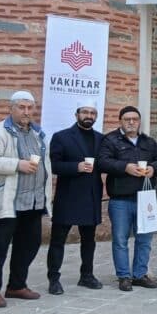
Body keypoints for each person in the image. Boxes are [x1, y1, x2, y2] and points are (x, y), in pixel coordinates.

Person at [0, 91, 54, 308]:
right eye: (21, 107)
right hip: (8, 201)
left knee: (29, 245)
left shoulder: (38, 133)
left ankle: (16, 285)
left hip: (33, 201)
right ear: (10, 109)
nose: (26, 112)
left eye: (30, 108)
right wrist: (17, 164)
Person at [98, 106, 157, 291]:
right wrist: (125, 167)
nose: (131, 122)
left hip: (145, 199)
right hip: (120, 199)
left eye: (135, 119)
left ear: (139, 121)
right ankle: (124, 276)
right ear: (120, 121)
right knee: (120, 240)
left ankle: (139, 275)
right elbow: (102, 162)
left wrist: (153, 168)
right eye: (127, 119)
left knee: (144, 240)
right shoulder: (111, 140)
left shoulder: (148, 142)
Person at [46, 101, 105, 295]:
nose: (89, 115)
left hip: (91, 195)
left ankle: (86, 275)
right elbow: (54, 166)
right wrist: (76, 167)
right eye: (85, 112)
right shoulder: (61, 137)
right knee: (58, 240)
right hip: (68, 196)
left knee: (89, 240)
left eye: (92, 113)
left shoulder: (101, 139)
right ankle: (54, 279)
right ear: (77, 114)